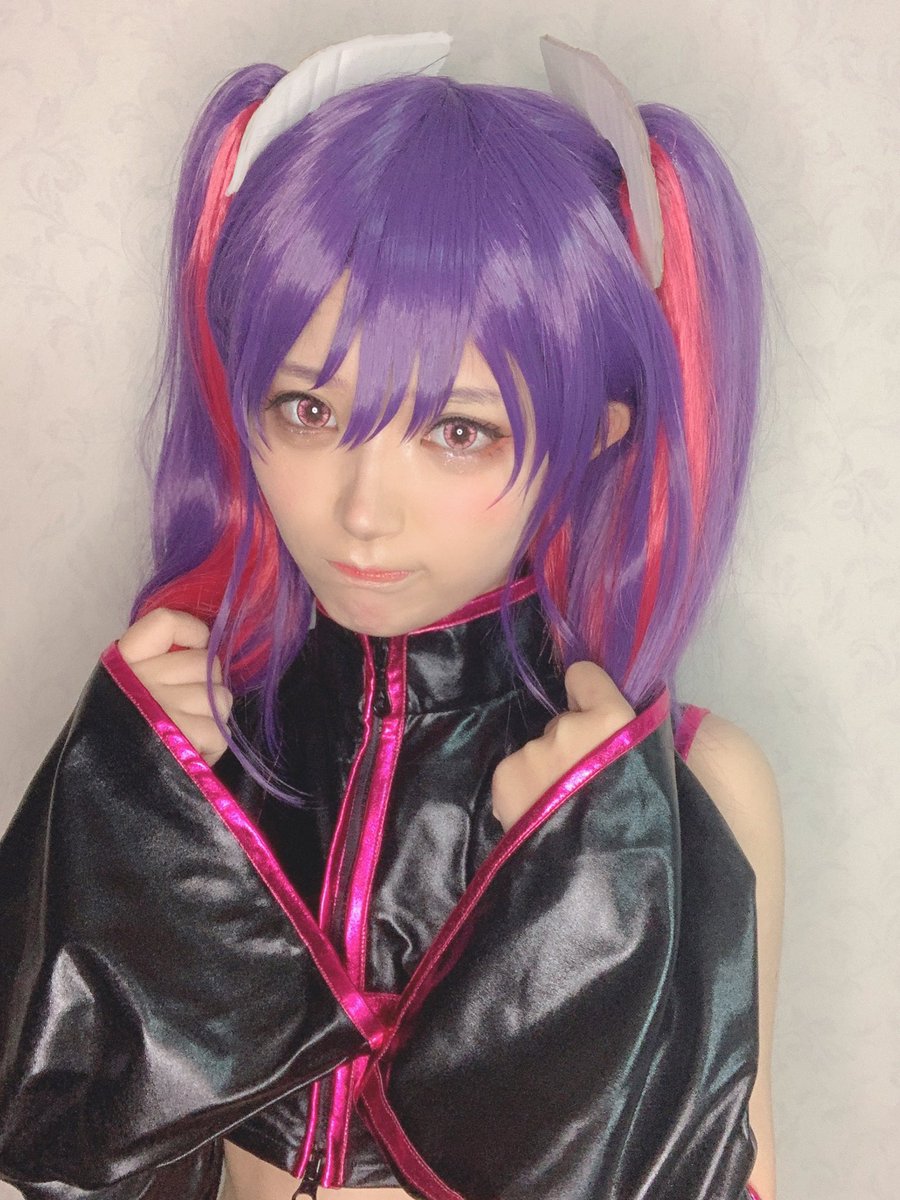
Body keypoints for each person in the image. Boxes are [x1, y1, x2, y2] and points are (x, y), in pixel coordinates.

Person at [0, 32, 782, 1200]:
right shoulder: (203, 748)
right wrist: (125, 810)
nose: (361, 511)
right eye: (308, 410)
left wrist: (594, 920)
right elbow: (58, 1152)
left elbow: (745, 1174)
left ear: (598, 435)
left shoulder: (695, 790)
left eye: (459, 431)